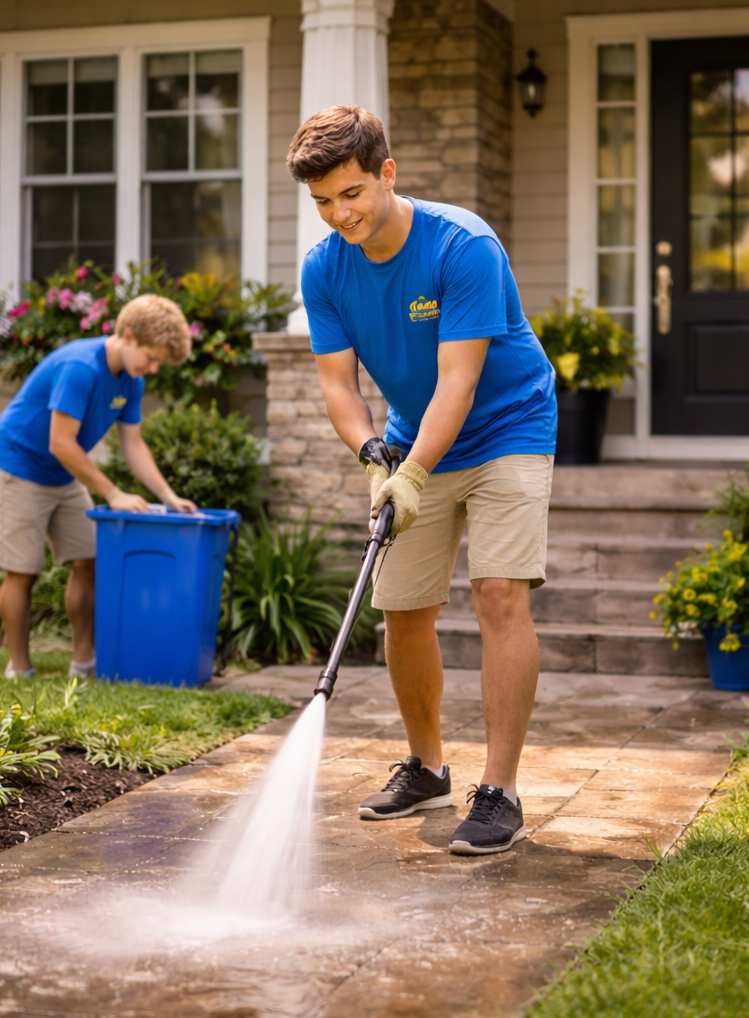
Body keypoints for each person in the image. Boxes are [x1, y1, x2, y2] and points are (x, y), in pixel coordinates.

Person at [287, 105, 557, 856]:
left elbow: (458, 380)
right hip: (410, 439)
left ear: (386, 174)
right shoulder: (324, 269)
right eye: (322, 203)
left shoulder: (461, 244)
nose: (340, 216)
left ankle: (498, 791)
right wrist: (374, 453)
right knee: (402, 608)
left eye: (351, 195)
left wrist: (411, 473)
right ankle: (428, 768)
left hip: (508, 426)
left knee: (499, 593)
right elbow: (339, 387)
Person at [0, 293, 196, 682]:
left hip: (62, 473)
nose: (153, 368)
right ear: (127, 336)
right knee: (23, 570)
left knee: (88, 558)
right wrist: (112, 492)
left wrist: (168, 496)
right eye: (151, 357)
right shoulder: (81, 367)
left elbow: (133, 444)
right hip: (20, 466)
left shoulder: (131, 379)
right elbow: (60, 442)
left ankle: (84, 662)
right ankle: (18, 667)